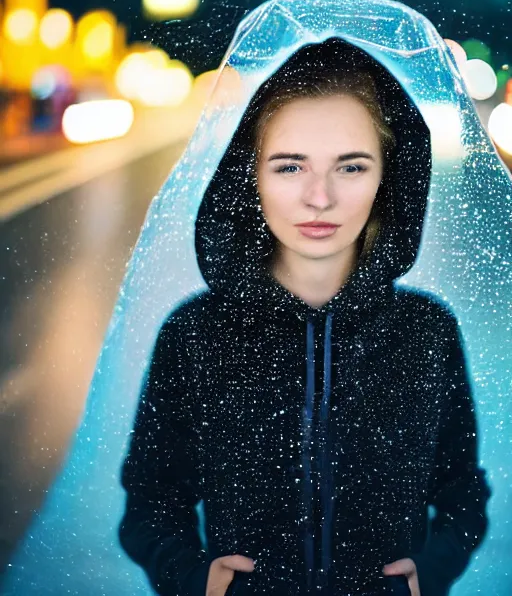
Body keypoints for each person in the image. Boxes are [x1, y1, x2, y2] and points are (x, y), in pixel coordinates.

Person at [117, 36, 491, 596]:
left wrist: (430, 573)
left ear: (388, 178)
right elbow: (151, 502)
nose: (319, 198)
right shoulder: (195, 334)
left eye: (352, 167)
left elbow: (463, 492)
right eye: (290, 167)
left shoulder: (426, 332)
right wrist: (195, 581)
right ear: (252, 178)